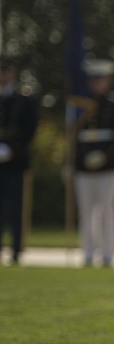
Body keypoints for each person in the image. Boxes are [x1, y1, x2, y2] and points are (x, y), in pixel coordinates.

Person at [73, 58, 114, 267]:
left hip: (109, 166)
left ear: (108, 80)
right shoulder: (79, 105)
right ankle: (87, 253)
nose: (97, 84)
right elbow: (74, 137)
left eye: (101, 79)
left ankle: (107, 253)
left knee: (107, 208)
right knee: (86, 211)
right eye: (94, 80)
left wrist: (104, 157)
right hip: (83, 167)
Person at [0, 56, 39, 266]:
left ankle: (16, 250)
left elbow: (29, 130)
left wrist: (11, 150)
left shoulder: (23, 98)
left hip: (15, 162)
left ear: (14, 72)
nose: (3, 74)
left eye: (6, 70)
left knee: (15, 208)